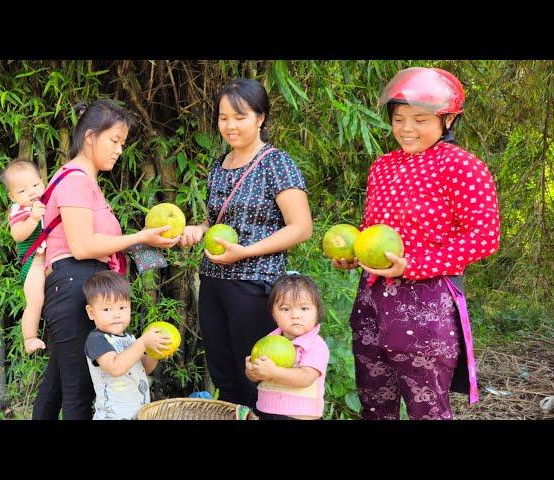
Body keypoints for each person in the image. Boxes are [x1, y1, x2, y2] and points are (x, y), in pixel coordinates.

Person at [333, 67, 500, 420]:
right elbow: (371, 230)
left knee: (428, 408)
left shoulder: (462, 167)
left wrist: (415, 264)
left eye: (420, 120)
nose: (406, 129)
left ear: (449, 119)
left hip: (426, 304)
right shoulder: (382, 166)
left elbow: (485, 236)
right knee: (375, 404)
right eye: (398, 119)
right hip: (372, 300)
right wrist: (352, 254)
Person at [32, 99, 179, 420]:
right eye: (114, 140)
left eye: (122, 143)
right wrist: (141, 237)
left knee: (57, 384)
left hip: (78, 285)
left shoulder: (84, 182)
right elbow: (83, 246)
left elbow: (104, 245)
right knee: (80, 392)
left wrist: (156, 241)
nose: (119, 150)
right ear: (89, 137)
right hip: (75, 286)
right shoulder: (75, 180)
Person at [180, 78, 313, 409]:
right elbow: (218, 224)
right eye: (223, 117)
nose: (230, 125)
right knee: (224, 374)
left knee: (255, 376)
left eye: (240, 117)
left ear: (261, 118)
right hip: (213, 282)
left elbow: (301, 227)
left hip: (254, 285)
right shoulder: (220, 165)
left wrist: (247, 252)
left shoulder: (276, 163)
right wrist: (199, 230)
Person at [82, 270, 171, 420]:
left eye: (122, 308)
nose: (116, 314)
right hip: (112, 416)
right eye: (107, 309)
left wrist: (155, 352)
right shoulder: (96, 339)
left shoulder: (129, 338)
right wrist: (142, 343)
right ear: (91, 312)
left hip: (138, 413)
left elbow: (145, 368)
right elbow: (115, 368)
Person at [245, 273, 329, 420]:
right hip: (265, 412)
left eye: (304, 309)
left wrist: (274, 372)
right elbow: (258, 377)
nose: (295, 315)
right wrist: (252, 372)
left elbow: (306, 378)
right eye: (285, 309)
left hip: (299, 416)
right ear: (274, 314)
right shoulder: (268, 341)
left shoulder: (315, 345)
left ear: (317, 312)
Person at [0, 159, 48, 354]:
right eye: (22, 191)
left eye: (36, 185)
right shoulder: (19, 210)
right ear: (12, 196)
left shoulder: (48, 200)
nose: (32, 192)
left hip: (50, 259)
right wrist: (33, 219)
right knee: (35, 300)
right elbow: (18, 234)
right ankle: (29, 338)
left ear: (42, 181)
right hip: (33, 263)